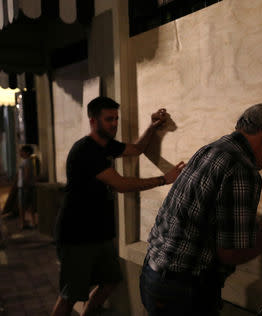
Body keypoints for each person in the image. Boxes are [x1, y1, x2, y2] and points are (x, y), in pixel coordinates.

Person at [140, 102, 262, 316]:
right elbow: (230, 254)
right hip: (183, 292)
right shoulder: (243, 169)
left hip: (153, 276)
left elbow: (212, 212)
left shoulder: (212, 149)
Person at [51, 96, 185, 316]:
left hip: (98, 233)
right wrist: (164, 179)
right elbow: (121, 184)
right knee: (70, 295)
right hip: (76, 234)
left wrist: (153, 127)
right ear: (93, 121)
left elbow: (137, 149)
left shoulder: (105, 146)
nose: (114, 123)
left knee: (110, 281)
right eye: (108, 119)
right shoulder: (86, 150)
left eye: (116, 119)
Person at [17, 145, 37, 229]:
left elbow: (26, 174)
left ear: (27, 152)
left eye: (22, 151)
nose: (20, 153)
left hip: (24, 186)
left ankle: (23, 223)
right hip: (29, 186)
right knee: (30, 205)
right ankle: (32, 222)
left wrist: (25, 184)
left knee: (23, 205)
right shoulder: (28, 161)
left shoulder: (26, 162)